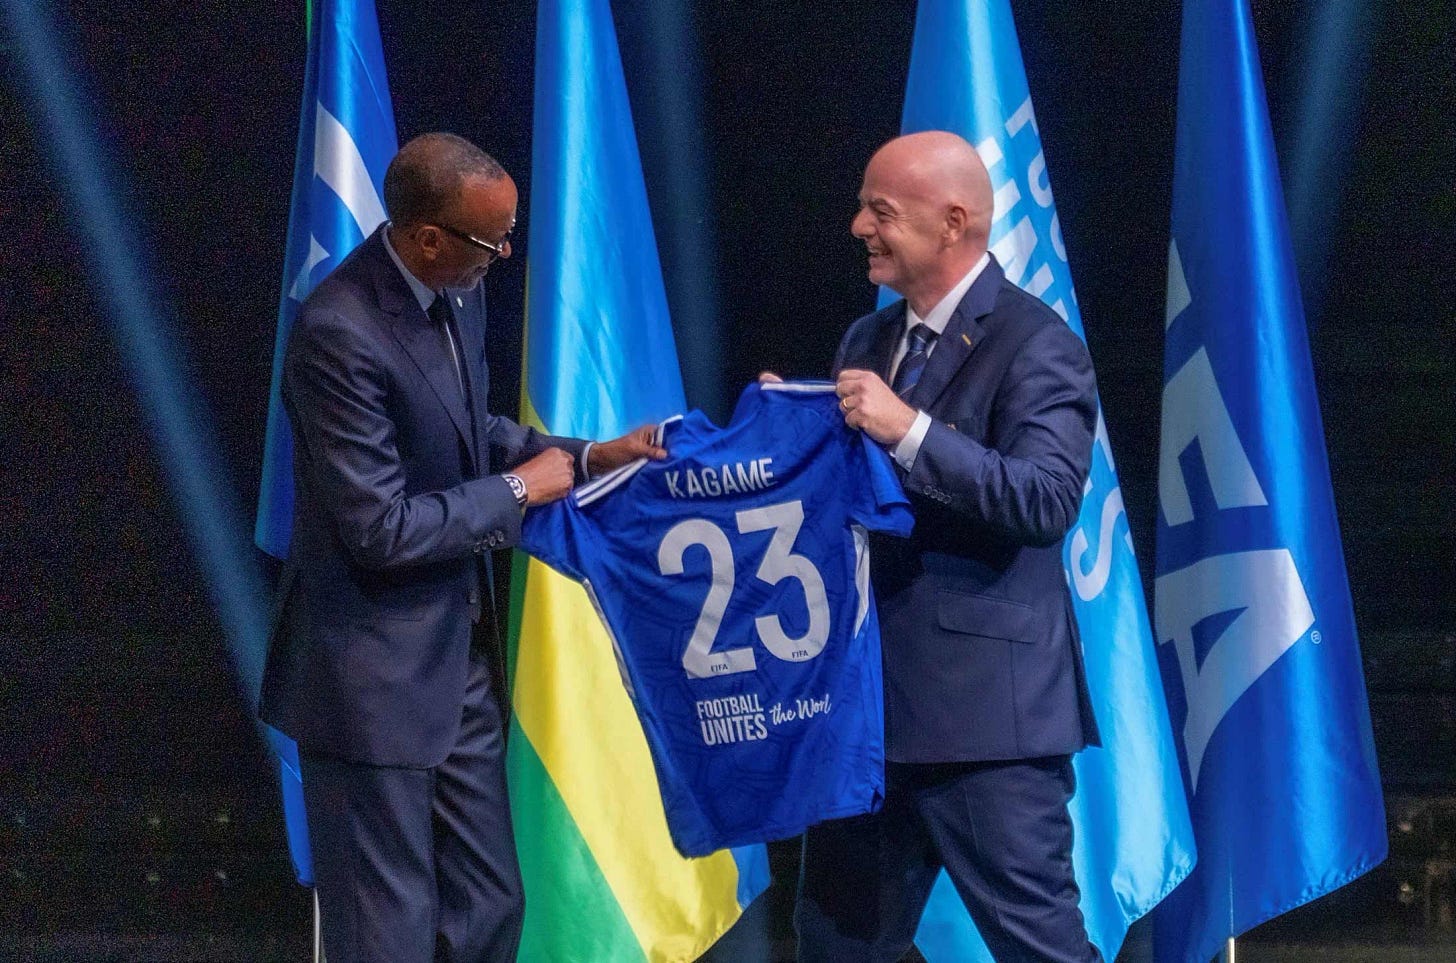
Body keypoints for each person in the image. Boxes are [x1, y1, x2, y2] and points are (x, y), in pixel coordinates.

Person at [259, 132, 663, 963]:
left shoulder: (460, 288)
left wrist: (588, 457)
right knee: (389, 927)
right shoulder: (340, 332)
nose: (506, 252)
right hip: (369, 682)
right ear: (429, 238)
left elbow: (461, 430)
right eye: (493, 239)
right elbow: (381, 529)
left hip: (460, 662)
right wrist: (522, 490)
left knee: (490, 905)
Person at [793, 131, 1102, 962]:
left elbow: (1044, 499)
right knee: (835, 949)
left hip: (986, 729)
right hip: (866, 717)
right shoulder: (866, 339)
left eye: (880, 210)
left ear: (954, 222)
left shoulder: (1039, 344)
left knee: (1043, 949)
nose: (859, 224)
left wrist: (911, 429)